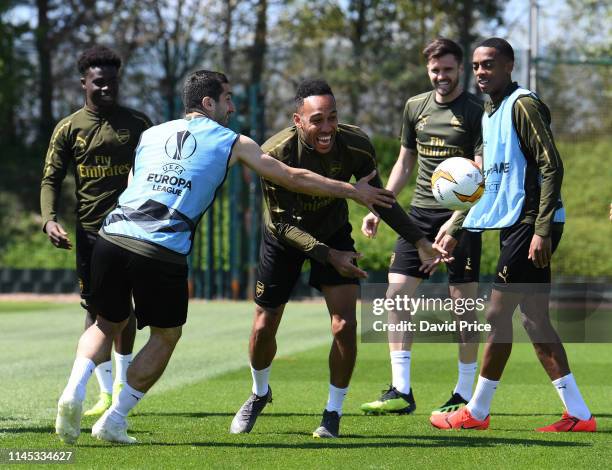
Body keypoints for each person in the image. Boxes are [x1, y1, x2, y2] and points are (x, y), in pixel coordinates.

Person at [54, 70, 411, 445]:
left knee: (105, 323)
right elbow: (293, 177)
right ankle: (115, 419)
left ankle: (74, 388)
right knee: (165, 335)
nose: (233, 106)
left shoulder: (151, 134)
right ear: (208, 103)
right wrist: (351, 191)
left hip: (112, 236)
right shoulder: (233, 141)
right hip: (160, 248)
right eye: (227, 98)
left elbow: (132, 186)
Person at [229, 79, 449, 439]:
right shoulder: (275, 152)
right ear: (297, 120)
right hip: (286, 237)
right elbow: (282, 225)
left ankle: (332, 412)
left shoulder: (356, 144)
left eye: (333, 117)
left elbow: (379, 199)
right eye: (317, 120)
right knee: (263, 326)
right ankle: (259, 392)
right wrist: (331, 257)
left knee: (345, 326)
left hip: (333, 233)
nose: (327, 127)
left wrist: (420, 241)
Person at [430, 38, 596, 432]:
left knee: (496, 313)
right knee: (535, 319)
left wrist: (541, 229)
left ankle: (477, 411)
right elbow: (489, 180)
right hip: (517, 222)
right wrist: (456, 223)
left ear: (509, 65)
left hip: (531, 222)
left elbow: (551, 165)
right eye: (476, 66)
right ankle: (580, 415)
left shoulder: (523, 104)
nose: (481, 72)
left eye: (489, 64)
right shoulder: (491, 113)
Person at [359, 38, 484, 417]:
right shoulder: (416, 106)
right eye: (435, 70)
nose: (440, 76)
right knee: (396, 298)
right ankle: (401, 390)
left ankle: (463, 393)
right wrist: (380, 205)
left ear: (459, 69)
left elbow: (480, 169)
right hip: (417, 217)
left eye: (447, 69)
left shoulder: (477, 110)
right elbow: (404, 163)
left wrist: (455, 222)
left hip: (462, 218)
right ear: (427, 69)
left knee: (463, 307)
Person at [40, 46, 151, 417]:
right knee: (95, 310)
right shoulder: (69, 128)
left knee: (128, 309)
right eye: (99, 83)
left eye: (113, 83)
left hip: (131, 230)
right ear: (84, 83)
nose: (107, 89)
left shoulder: (138, 123)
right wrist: (49, 218)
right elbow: (51, 178)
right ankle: (104, 391)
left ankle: (121, 382)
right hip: (89, 233)